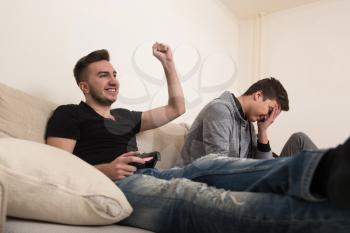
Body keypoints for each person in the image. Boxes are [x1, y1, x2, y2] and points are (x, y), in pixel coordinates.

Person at [45, 43, 350, 233]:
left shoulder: (124, 116)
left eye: (114, 74)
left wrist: (168, 64)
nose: (113, 80)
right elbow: (58, 166)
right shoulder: (69, 114)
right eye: (103, 75)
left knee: (215, 168)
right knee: (191, 195)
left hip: (155, 172)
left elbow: (176, 108)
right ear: (85, 86)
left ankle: (332, 168)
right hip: (118, 183)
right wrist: (106, 170)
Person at [180, 78, 318, 165]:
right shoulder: (220, 110)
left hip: (237, 179)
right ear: (258, 96)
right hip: (200, 181)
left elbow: (262, 167)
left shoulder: (248, 126)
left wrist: (263, 131)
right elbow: (218, 166)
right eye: (270, 110)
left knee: (299, 140)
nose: (267, 117)